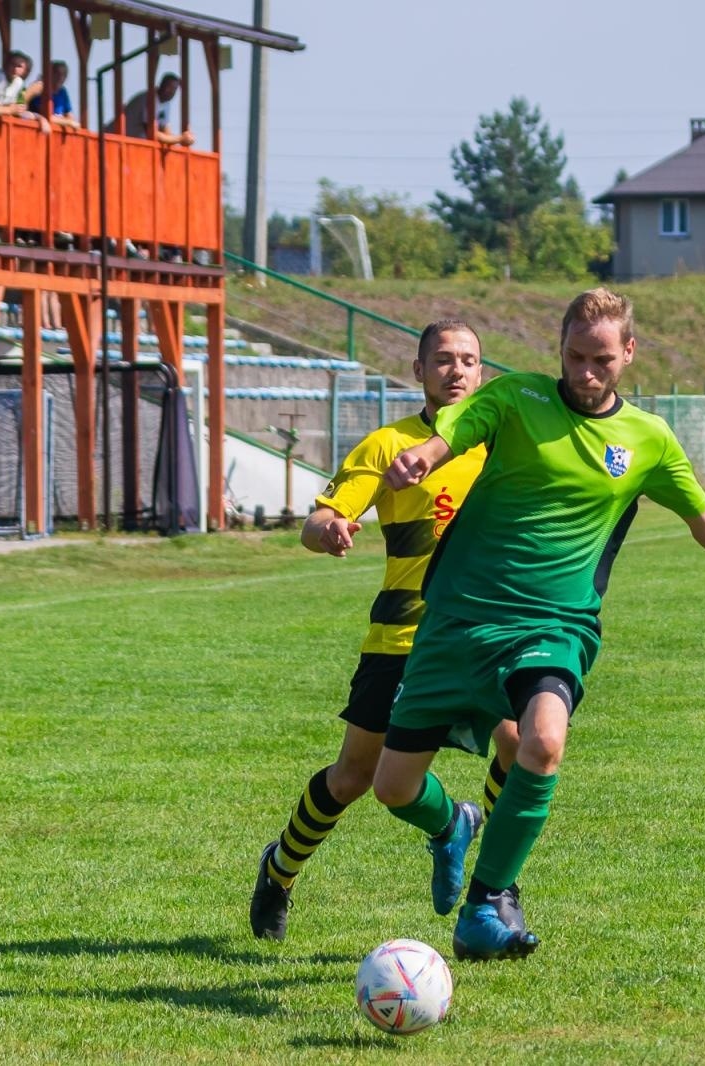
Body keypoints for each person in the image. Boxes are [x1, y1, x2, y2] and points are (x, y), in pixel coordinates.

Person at [372, 287, 705, 961]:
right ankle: (453, 823)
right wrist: (420, 459)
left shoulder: (647, 440)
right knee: (393, 787)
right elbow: (447, 434)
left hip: (554, 625)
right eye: (574, 355)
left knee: (543, 741)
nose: (585, 372)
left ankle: (486, 904)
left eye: (601, 359)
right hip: (457, 623)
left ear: (629, 352)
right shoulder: (514, 399)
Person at [250, 319, 522, 941]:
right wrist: (328, 530)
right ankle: (282, 868)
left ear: (484, 373)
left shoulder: (505, 442)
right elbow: (321, 518)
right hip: (403, 638)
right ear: (419, 371)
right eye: (444, 359)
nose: (457, 370)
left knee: (519, 739)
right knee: (355, 777)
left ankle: (497, 886)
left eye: (470, 360)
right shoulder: (387, 446)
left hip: (487, 634)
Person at [120, 73, 193, 146]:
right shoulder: (150, 99)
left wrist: (182, 139)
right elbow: (151, 132)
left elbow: (165, 129)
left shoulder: (165, 103)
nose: (172, 92)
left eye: (174, 89)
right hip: (116, 141)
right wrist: (180, 139)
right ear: (161, 85)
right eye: (169, 87)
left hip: (131, 144)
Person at [30, 60, 78, 127]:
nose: (60, 77)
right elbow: (46, 116)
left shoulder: (63, 92)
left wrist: (69, 121)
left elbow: (70, 116)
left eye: (64, 75)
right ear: (49, 74)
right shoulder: (40, 88)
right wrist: (68, 122)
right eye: (57, 73)